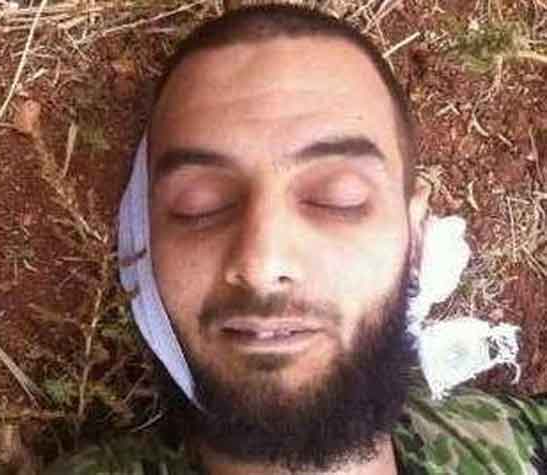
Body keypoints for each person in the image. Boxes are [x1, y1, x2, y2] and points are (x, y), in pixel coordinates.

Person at [46, 4, 547, 474]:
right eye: (199, 205)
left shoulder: (518, 437)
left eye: (338, 199)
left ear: (415, 239)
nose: (263, 261)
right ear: (142, 251)